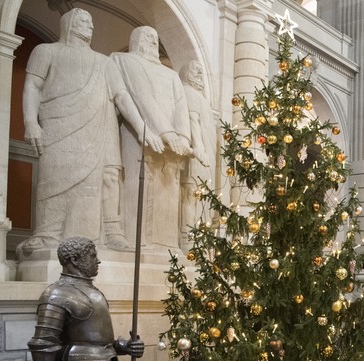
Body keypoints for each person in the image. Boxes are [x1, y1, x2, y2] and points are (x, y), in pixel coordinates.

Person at [17, 8, 163, 258]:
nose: (91, 26)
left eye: (92, 22)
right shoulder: (46, 52)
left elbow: (122, 97)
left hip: (97, 130)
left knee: (90, 189)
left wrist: (142, 128)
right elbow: (32, 85)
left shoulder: (105, 62)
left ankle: (84, 242)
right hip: (58, 127)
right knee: (53, 181)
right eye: (84, 21)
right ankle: (46, 235)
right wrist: (31, 122)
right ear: (70, 23)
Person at [112, 26, 191, 249]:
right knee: (140, 187)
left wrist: (183, 137)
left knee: (168, 193)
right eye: (147, 37)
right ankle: (138, 243)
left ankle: (166, 246)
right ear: (136, 39)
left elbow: (180, 106)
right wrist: (167, 133)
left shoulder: (171, 75)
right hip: (140, 136)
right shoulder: (126, 61)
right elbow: (140, 95)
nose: (152, 41)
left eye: (155, 38)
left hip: (172, 145)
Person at [179, 60, 216, 249]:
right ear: (187, 73)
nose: (200, 73)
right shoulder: (188, 92)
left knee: (200, 196)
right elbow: (193, 120)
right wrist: (199, 149)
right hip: (196, 155)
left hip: (205, 154)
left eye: (201, 70)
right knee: (190, 193)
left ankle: (198, 234)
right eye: (196, 70)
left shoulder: (200, 97)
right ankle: (187, 235)